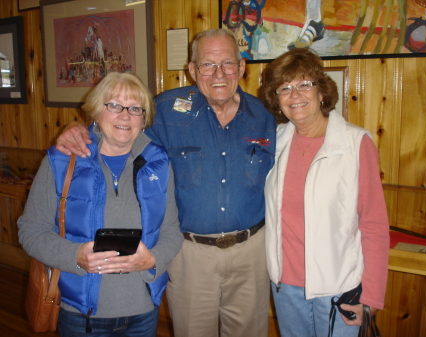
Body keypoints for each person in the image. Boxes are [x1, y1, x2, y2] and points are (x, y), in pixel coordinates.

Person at [54, 29, 277, 337]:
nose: (218, 74)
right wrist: (80, 128)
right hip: (189, 254)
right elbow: (118, 129)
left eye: (228, 63)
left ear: (241, 67)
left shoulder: (265, 116)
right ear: (192, 70)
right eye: (207, 65)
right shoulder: (166, 111)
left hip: (251, 251)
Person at [18, 72, 183, 337]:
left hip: (142, 310)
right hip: (82, 313)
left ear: (144, 119)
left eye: (135, 108)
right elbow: (30, 230)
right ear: (96, 111)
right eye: (114, 105)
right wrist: (75, 257)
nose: (125, 115)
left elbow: (172, 230)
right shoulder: (61, 161)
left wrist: (154, 259)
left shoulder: (159, 162)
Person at [259, 48, 390, 337]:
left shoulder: (355, 144)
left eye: (305, 84)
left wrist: (372, 296)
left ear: (321, 92)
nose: (295, 95)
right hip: (285, 285)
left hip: (337, 288)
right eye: (285, 88)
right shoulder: (275, 142)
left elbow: (375, 226)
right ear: (277, 99)